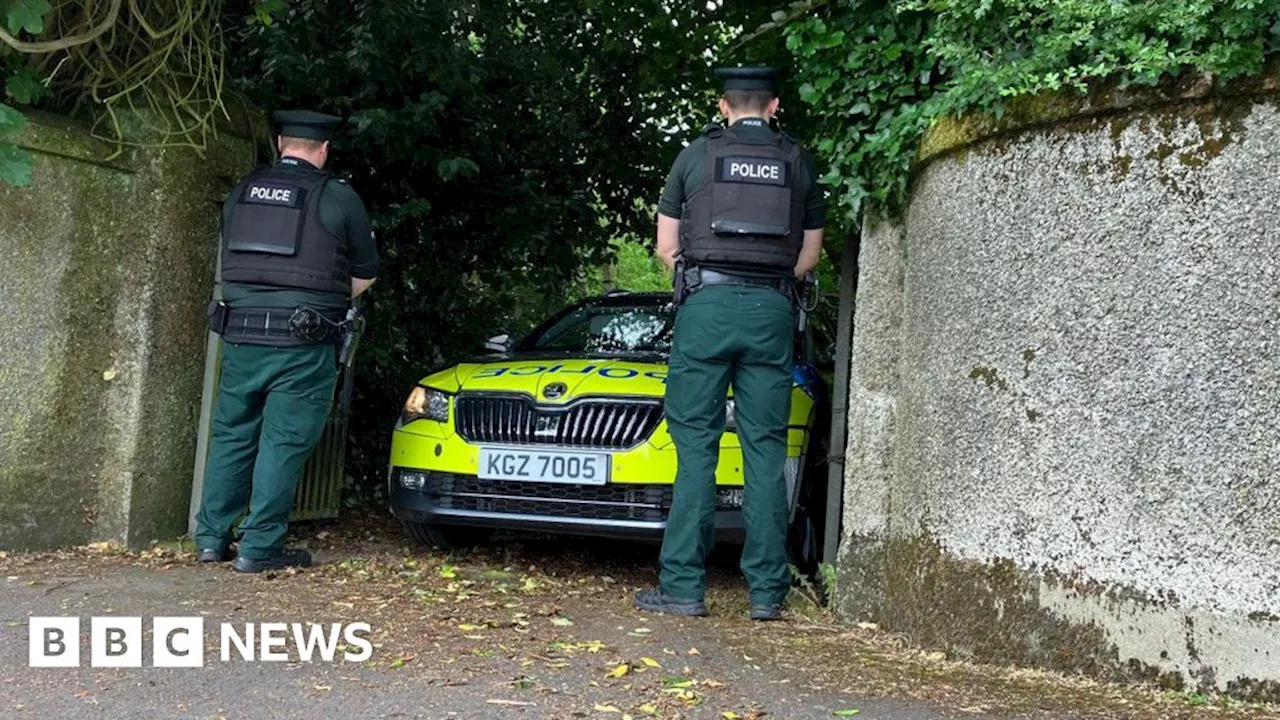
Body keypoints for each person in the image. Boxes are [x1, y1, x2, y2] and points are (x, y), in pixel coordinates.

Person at [634, 67, 826, 620]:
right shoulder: (797, 161)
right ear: (774, 106)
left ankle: (682, 589)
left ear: (724, 106)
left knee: (695, 446)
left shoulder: (695, 156)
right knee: (765, 448)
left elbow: (666, 247)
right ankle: (768, 596)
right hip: (770, 311)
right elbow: (808, 256)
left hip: (706, 308)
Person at [194, 109, 379, 573]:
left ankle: (211, 540)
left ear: (280, 143)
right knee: (283, 441)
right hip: (302, 342)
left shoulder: (241, 192)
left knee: (233, 435)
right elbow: (364, 273)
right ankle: (259, 547)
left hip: (240, 336)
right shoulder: (337, 197)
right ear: (324, 150)